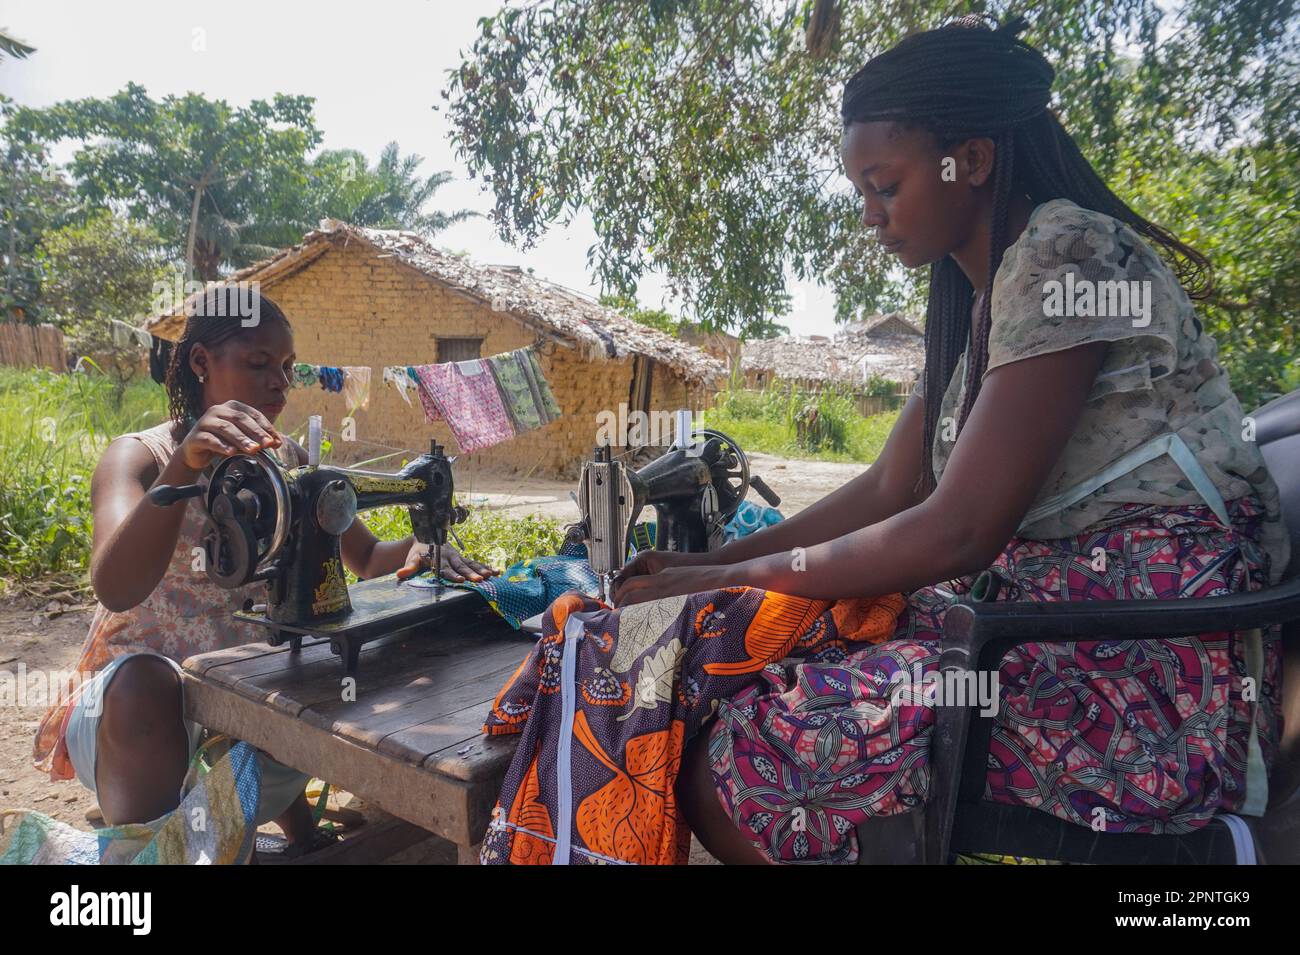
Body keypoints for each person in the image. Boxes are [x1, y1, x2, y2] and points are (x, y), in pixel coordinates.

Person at [484, 15, 1290, 865]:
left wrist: (719, 573)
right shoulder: (980, 308)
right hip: (1031, 632)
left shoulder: (1071, 260)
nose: (869, 215)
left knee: (739, 753)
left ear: (971, 160)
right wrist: (702, 573)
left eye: (885, 185)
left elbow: (956, 528)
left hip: (1142, 683)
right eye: (861, 191)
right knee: (700, 672)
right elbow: (887, 489)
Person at [32, 288, 498, 858]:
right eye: (259, 364)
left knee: (313, 682)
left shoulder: (289, 466)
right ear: (201, 362)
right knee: (150, 684)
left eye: (286, 368)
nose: (279, 382)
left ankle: (263, 831)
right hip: (131, 714)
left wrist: (421, 549)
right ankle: (151, 851)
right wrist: (184, 466)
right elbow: (116, 584)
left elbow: (370, 559)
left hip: (242, 701)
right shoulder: (140, 458)